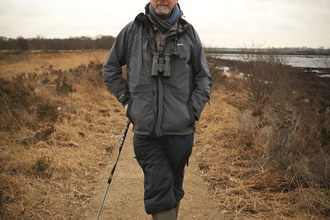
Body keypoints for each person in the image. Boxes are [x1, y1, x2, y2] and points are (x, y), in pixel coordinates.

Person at [103, 0, 212, 219]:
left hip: (181, 133)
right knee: (160, 188)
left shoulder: (189, 33)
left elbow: (204, 77)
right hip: (146, 133)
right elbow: (110, 68)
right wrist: (128, 102)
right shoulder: (132, 31)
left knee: (173, 188)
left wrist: (192, 110)